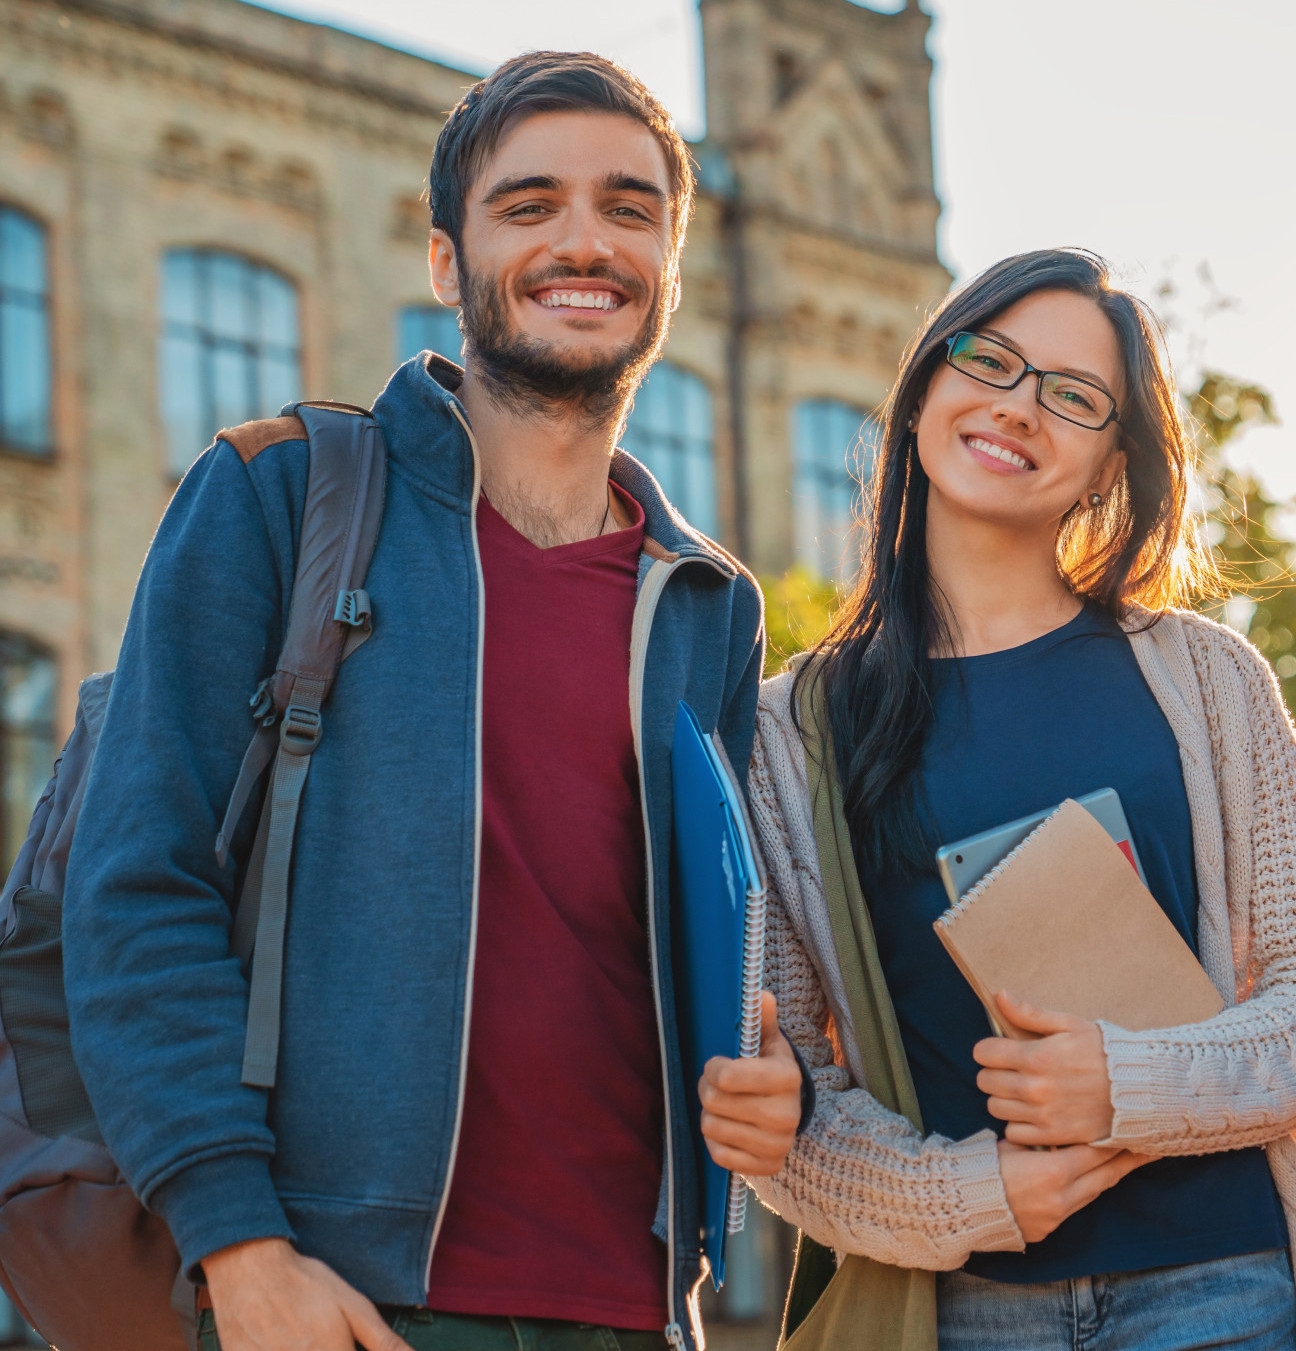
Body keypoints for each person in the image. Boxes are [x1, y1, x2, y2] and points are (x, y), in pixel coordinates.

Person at [62, 52, 806, 1351]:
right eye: (530, 204)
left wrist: (769, 1071)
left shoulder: (706, 602)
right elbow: (136, 891)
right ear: (447, 262)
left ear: (668, 269)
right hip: (340, 1294)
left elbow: (698, 946)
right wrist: (237, 1242)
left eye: (629, 207)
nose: (584, 238)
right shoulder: (280, 497)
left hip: (635, 1309)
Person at [741, 247, 1296, 1351]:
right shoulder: (787, 731)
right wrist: (979, 1194)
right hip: (961, 1316)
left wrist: (1124, 1082)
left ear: (1109, 464)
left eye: (1074, 396)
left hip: (1222, 1295)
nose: (1017, 407)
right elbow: (784, 1107)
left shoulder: (1207, 680)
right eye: (989, 362)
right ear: (925, 388)